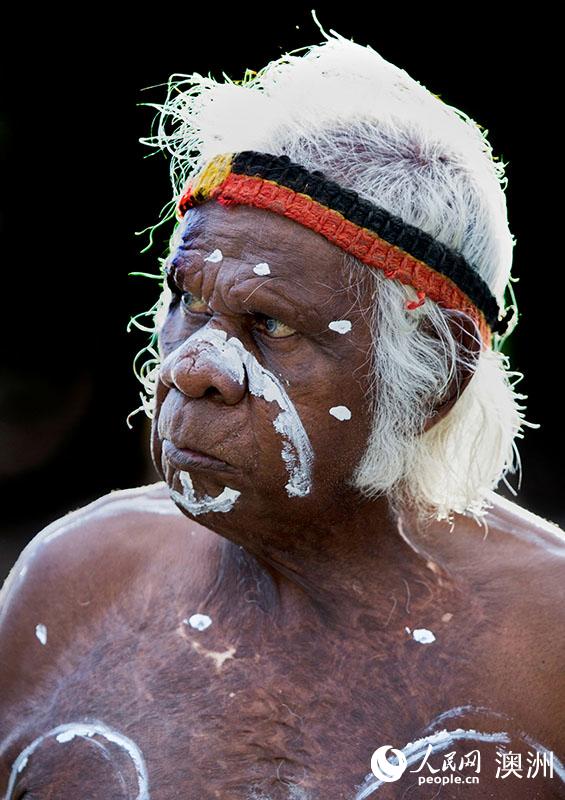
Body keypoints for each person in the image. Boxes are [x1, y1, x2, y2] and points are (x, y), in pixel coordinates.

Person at [1, 18, 563, 799]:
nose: (194, 368)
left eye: (269, 323)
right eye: (186, 301)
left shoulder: (547, 645)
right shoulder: (68, 584)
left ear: (432, 377)